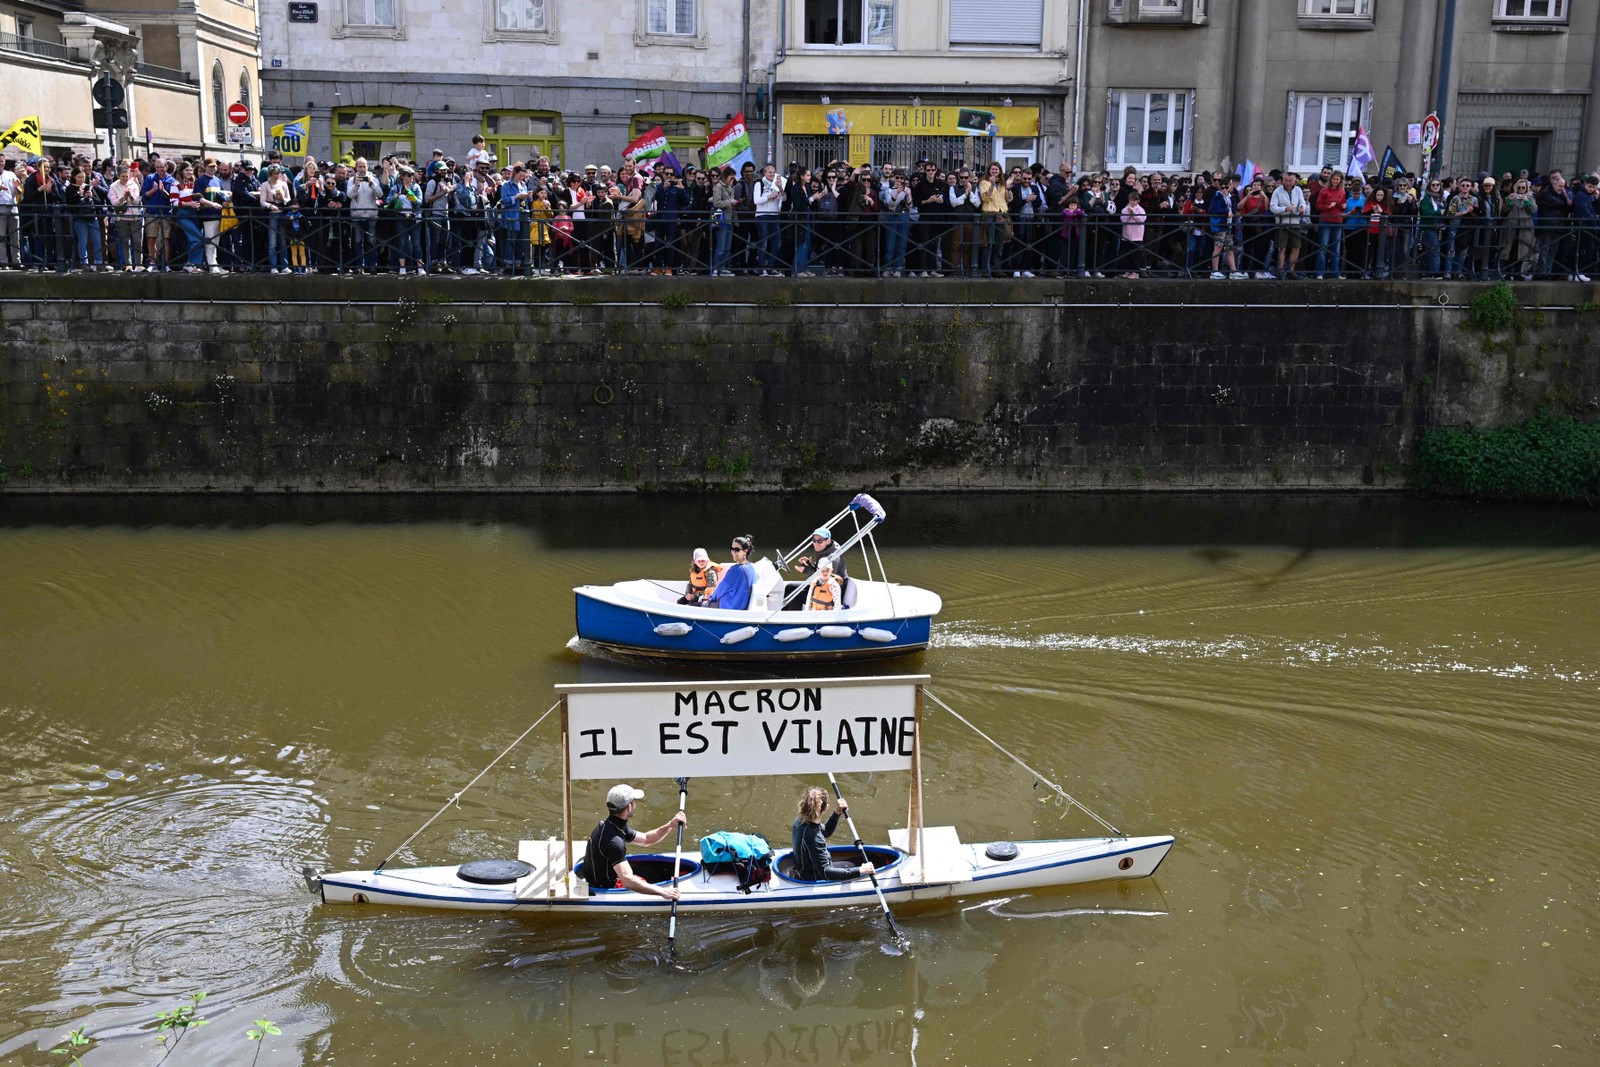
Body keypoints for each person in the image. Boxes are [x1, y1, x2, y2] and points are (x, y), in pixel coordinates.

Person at [583, 784, 687, 900]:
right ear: (629, 807)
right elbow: (628, 881)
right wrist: (663, 892)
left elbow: (647, 839)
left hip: (598, 879)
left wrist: (670, 825)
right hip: (605, 888)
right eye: (634, 801)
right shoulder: (615, 842)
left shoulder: (610, 825)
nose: (635, 804)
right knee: (642, 881)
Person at [791, 786, 874, 881]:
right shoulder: (814, 837)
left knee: (867, 859)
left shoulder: (800, 821)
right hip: (814, 878)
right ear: (826, 808)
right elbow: (826, 872)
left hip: (805, 871)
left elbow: (826, 831)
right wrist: (861, 870)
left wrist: (837, 813)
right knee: (869, 863)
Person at [705, 534, 756, 610]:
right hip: (741, 607)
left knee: (695, 603)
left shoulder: (736, 570)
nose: (733, 552)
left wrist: (710, 598)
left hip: (728, 607)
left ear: (745, 551)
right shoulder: (751, 568)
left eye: (737, 550)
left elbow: (722, 588)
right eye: (732, 549)